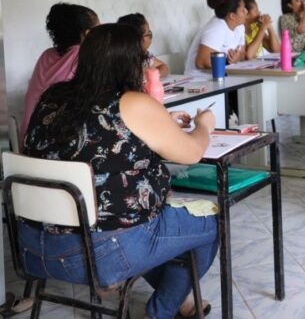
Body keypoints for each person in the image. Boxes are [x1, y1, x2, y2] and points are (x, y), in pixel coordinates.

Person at [22, 24, 218, 319]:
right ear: (130, 61)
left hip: (35, 248)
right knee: (212, 223)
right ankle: (161, 311)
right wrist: (205, 125)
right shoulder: (132, 102)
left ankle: (177, 302)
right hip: (103, 252)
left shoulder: (53, 96)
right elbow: (192, 153)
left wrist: (162, 122)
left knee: (155, 230)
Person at [20, 2, 99, 143]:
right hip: (61, 145)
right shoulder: (86, 56)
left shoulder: (46, 55)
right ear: (88, 34)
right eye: (99, 30)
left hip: (28, 141)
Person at [184, 0, 252, 75]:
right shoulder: (216, 28)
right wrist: (228, 61)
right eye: (243, 10)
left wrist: (237, 58)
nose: (247, 11)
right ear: (232, 16)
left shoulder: (239, 27)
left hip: (223, 76)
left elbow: (242, 53)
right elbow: (202, 62)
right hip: (199, 80)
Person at [118, 13, 170, 77]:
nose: (150, 36)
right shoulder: (119, 59)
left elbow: (164, 67)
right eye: (148, 33)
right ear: (136, 39)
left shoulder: (144, 55)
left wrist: (151, 76)